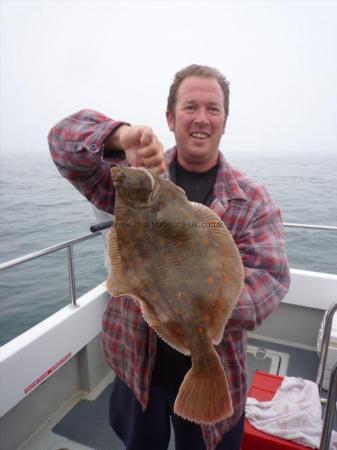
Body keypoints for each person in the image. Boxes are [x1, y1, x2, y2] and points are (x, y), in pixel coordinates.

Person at [48, 64, 290, 450]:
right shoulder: (137, 179)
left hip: (217, 370)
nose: (201, 118)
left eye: (213, 109)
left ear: (225, 121)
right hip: (136, 371)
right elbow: (62, 143)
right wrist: (120, 136)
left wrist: (197, 311)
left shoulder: (253, 199)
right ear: (170, 118)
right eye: (190, 107)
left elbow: (270, 282)